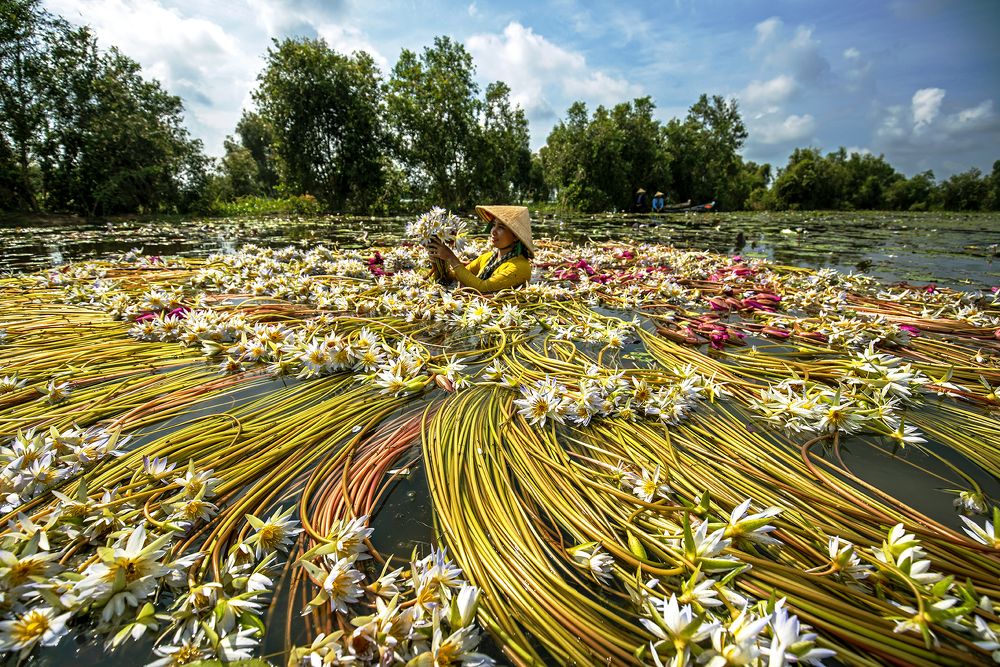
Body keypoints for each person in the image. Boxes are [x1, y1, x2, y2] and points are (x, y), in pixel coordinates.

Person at [427, 205, 534, 292]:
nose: (493, 231)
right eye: (493, 225)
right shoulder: (487, 258)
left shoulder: (519, 267)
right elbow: (453, 277)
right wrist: (437, 259)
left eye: (501, 227)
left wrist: (451, 257)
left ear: (515, 236)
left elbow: (482, 288)